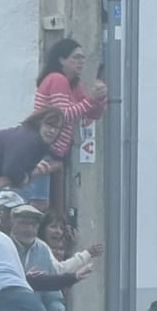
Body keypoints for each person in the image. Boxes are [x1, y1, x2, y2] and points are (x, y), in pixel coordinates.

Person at [30, 37, 108, 203]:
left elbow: (90, 114)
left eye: (82, 58)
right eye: (76, 57)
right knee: (40, 202)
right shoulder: (57, 79)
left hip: (57, 153)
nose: (81, 62)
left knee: (54, 204)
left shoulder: (74, 85)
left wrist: (99, 100)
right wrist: (91, 100)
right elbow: (62, 116)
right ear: (61, 59)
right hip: (44, 148)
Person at [0, 107, 67, 195]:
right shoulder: (29, 139)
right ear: (39, 123)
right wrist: (24, 179)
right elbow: (11, 169)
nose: (52, 131)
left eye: (56, 128)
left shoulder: (39, 142)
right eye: (49, 125)